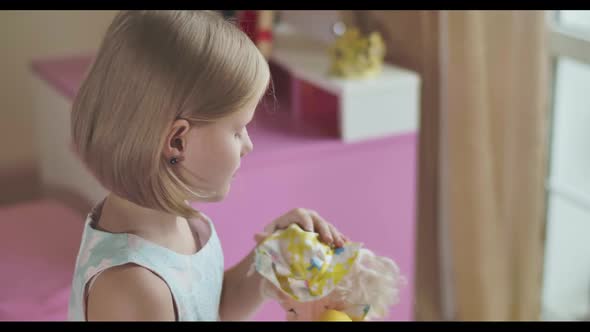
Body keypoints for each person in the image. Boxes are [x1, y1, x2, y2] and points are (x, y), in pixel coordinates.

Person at [67, 10, 347, 321]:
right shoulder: (133, 286)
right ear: (177, 142)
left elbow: (212, 306)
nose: (248, 145)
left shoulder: (179, 220)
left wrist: (272, 254)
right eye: (238, 130)